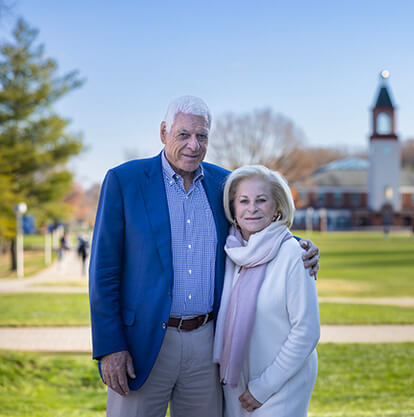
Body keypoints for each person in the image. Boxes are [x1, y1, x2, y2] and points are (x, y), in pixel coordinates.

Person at [88, 95, 319, 417]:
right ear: (163, 132)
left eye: (202, 136)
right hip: (142, 344)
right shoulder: (124, 181)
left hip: (207, 344)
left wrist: (295, 243)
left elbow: (252, 224)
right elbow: (104, 271)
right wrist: (111, 346)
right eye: (183, 134)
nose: (193, 145)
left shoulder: (222, 183)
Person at [214, 165, 320, 417]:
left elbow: (306, 331)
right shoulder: (232, 254)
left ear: (277, 208)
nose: (252, 208)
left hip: (282, 385)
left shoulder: (294, 254)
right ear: (233, 208)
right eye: (243, 201)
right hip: (236, 387)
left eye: (261, 200)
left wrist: (263, 387)